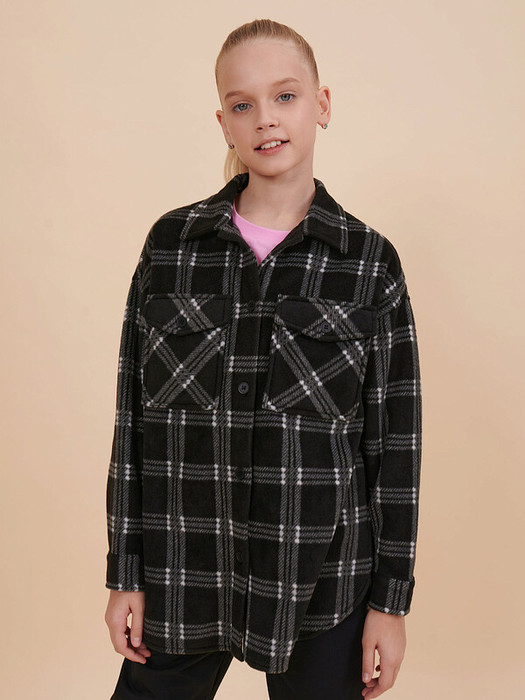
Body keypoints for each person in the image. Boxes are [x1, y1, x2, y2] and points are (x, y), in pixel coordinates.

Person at [104, 18, 422, 700]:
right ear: (223, 123)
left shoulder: (369, 264)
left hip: (323, 583)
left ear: (322, 105)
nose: (265, 119)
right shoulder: (171, 247)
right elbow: (132, 423)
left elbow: (394, 447)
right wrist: (124, 571)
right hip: (183, 570)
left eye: (284, 96)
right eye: (242, 104)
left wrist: (390, 604)